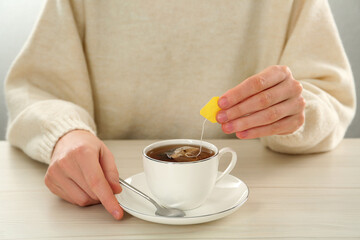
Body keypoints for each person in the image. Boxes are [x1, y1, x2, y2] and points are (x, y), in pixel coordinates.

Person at [5, 0, 356, 220]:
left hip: (257, 216)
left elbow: (329, 94)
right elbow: (36, 87)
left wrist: (295, 112)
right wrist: (66, 134)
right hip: (108, 207)